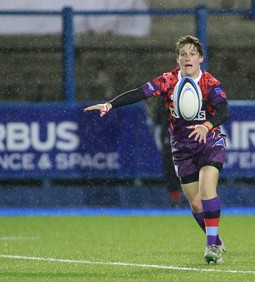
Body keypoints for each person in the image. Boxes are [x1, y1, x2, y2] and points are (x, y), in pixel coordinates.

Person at [84, 35, 229, 264]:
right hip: (182, 148)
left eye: (192, 53)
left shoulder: (210, 83)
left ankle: (212, 246)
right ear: (178, 58)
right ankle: (216, 238)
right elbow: (139, 92)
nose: (187, 58)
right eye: (183, 54)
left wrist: (207, 125)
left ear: (200, 58)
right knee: (195, 203)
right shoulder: (168, 80)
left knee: (207, 188)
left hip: (209, 142)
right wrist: (110, 104)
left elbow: (223, 111)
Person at [145, 97, 183, 208]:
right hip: (168, 142)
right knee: (170, 171)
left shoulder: (185, 103)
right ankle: (175, 196)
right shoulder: (163, 106)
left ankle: (188, 196)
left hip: (182, 142)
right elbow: (155, 124)